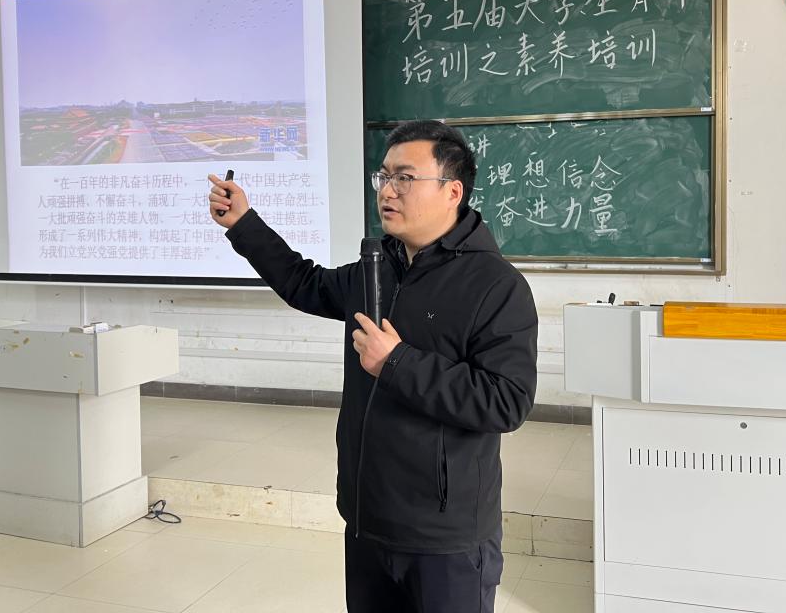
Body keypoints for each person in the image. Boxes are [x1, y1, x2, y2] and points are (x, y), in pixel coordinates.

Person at [207, 120, 538, 612]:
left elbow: (506, 402)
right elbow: (304, 283)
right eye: (384, 176)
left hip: (445, 538)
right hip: (368, 520)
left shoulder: (496, 286)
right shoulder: (377, 268)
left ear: (452, 191)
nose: (387, 190)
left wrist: (397, 362)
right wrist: (243, 224)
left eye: (405, 178)